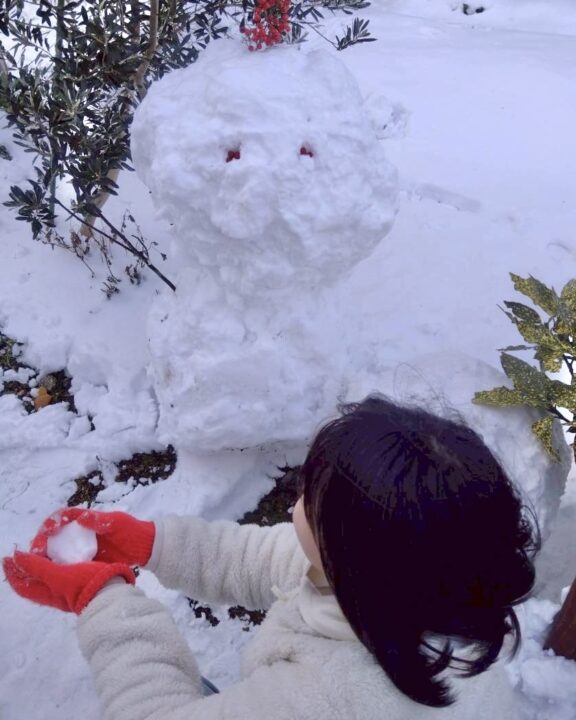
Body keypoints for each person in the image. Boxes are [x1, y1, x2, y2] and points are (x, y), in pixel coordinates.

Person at [3, 396, 539, 720]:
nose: (295, 503)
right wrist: (152, 542)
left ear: (354, 563)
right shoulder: (437, 586)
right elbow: (267, 560)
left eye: (311, 500)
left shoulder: (326, 700)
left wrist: (103, 601)